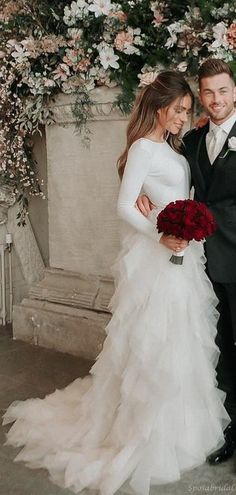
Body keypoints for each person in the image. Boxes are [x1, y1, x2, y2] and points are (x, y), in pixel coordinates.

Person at [3, 71, 229, 495]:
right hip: (158, 256)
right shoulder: (144, 146)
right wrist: (158, 233)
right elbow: (125, 204)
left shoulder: (175, 147)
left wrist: (179, 226)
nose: (182, 117)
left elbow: (176, 189)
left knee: (183, 341)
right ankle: (145, 432)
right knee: (152, 344)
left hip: (185, 255)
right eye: (178, 110)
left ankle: (181, 428)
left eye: (186, 110)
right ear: (159, 106)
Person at [137, 59, 236, 467]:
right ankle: (230, 428)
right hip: (203, 261)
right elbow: (150, 159)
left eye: (224, 91)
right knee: (220, 348)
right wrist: (141, 193)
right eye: (208, 92)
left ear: (235, 92)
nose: (216, 100)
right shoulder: (192, 140)